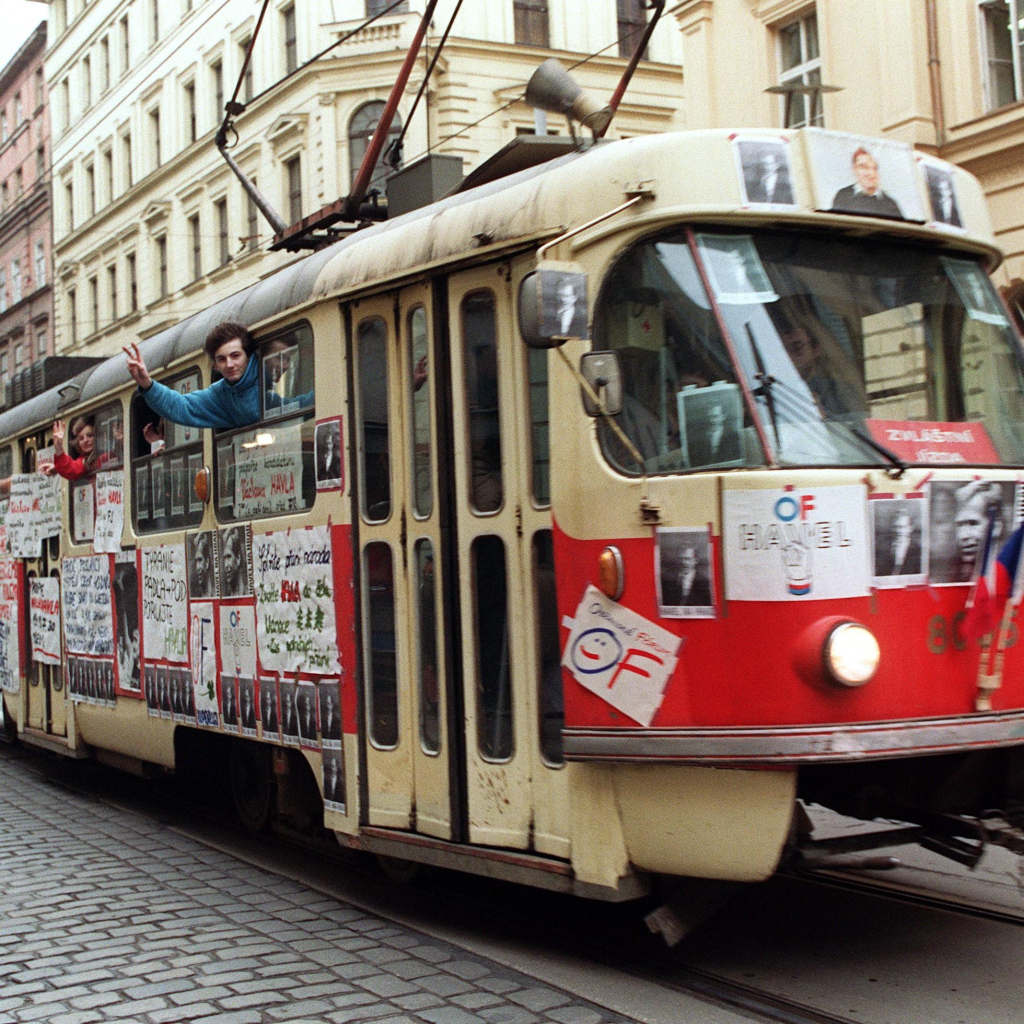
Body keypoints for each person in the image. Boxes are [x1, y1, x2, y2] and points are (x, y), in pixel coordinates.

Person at [125, 322, 262, 429]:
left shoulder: (265, 369)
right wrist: (147, 384)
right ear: (215, 365)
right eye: (221, 359)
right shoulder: (221, 394)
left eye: (235, 356)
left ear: (249, 356)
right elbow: (181, 406)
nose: (230, 364)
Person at [831, 147, 903, 219]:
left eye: (874, 168)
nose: (871, 173)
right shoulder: (843, 196)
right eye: (864, 167)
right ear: (854, 169)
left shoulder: (890, 204)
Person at [686, 401, 742, 466]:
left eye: (715, 416)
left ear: (723, 416)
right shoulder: (700, 437)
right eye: (710, 417)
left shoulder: (733, 435)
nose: (712, 420)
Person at [875, 508, 922, 577]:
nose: (898, 531)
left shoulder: (918, 551)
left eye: (902, 527)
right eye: (895, 527)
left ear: (910, 528)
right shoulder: (881, 547)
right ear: (891, 527)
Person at [49, 417, 97, 481]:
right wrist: (59, 448)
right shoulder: (83, 461)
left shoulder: (107, 455)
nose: (85, 440)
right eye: (81, 438)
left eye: (90, 435)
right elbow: (71, 469)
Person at [220, 526, 248, 597]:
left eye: (229, 557)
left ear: (238, 558)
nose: (226, 565)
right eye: (224, 558)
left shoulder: (247, 592)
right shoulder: (228, 596)